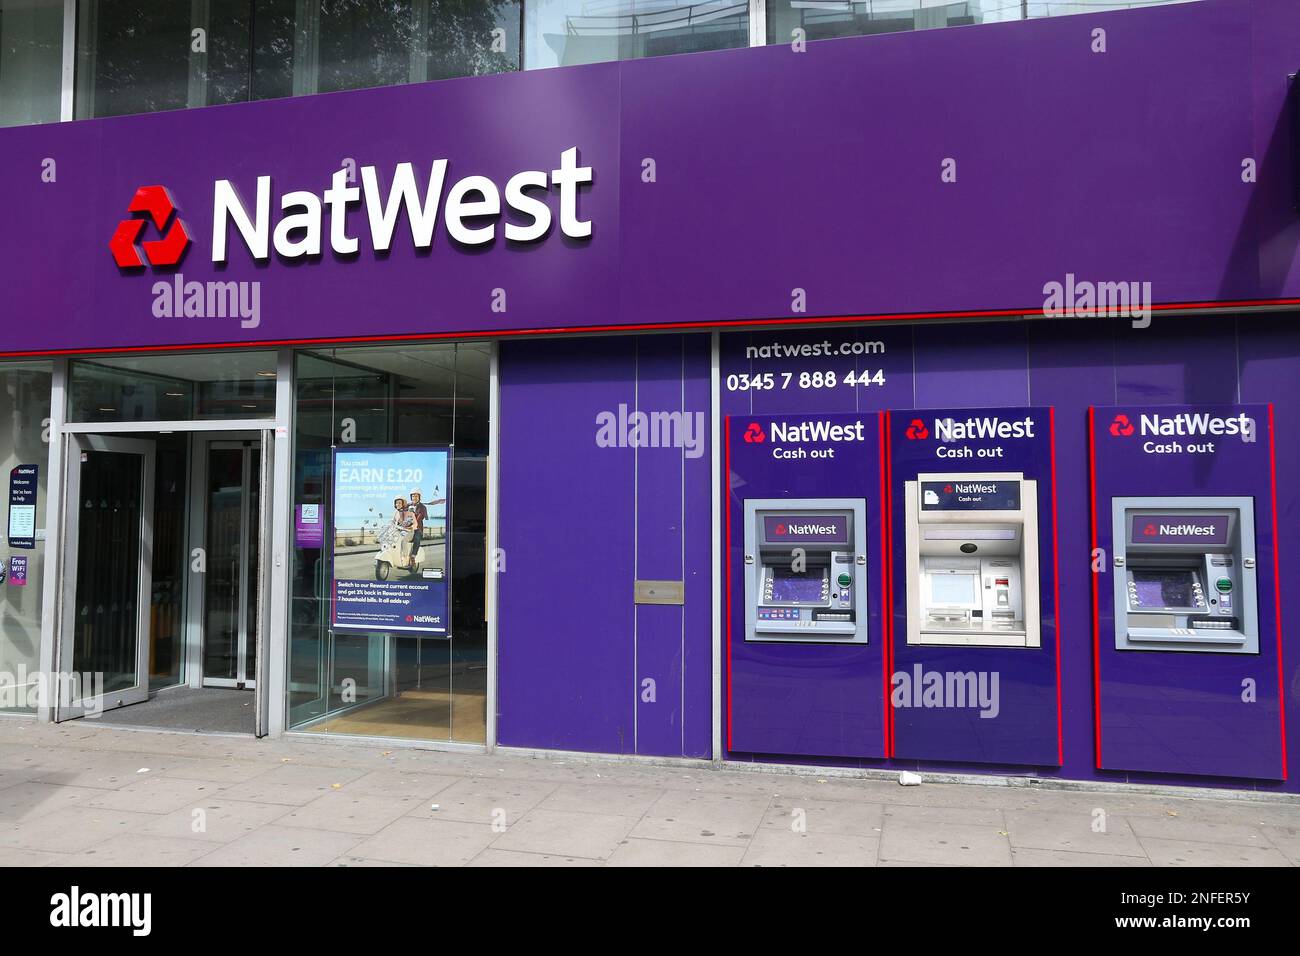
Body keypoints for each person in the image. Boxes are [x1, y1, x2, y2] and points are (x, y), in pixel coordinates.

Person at [408, 489, 428, 571]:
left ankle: (413, 556)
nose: (414, 497)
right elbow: (401, 513)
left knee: (417, 538)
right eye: (413, 496)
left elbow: (420, 517)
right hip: (406, 527)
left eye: (416, 496)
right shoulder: (408, 505)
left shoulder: (422, 507)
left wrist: (413, 524)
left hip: (417, 528)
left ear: (419, 497)